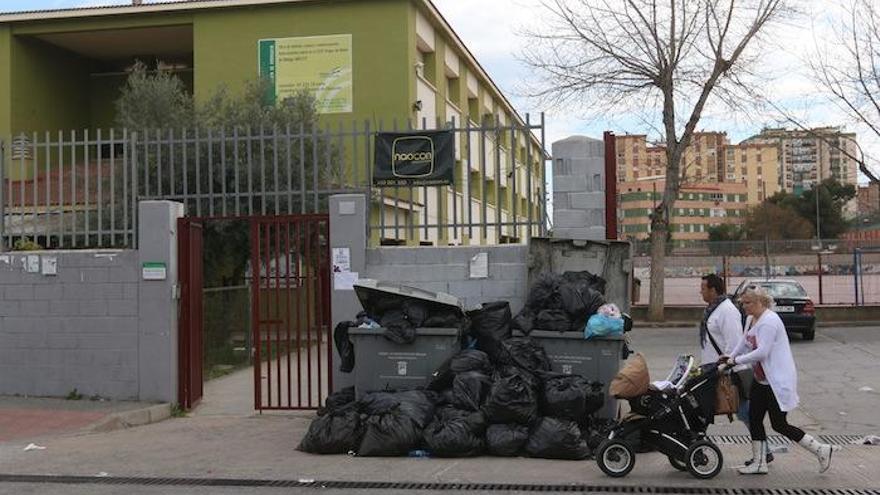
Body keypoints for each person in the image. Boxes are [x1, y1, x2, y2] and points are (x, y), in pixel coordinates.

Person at [720, 286, 838, 475]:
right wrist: (729, 356)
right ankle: (759, 463)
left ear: (760, 302)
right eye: (742, 303)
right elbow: (744, 341)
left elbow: (763, 351)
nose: (744, 307)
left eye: (747, 303)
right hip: (761, 380)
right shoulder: (751, 319)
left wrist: (736, 361)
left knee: (779, 424)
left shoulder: (769, 322)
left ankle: (820, 449)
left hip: (776, 381)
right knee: (754, 418)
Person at [699, 274, 742, 365]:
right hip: (711, 367)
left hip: (722, 369)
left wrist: (726, 366)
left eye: (703, 289)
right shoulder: (711, 310)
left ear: (712, 290)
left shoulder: (727, 310)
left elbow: (734, 342)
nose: (700, 292)